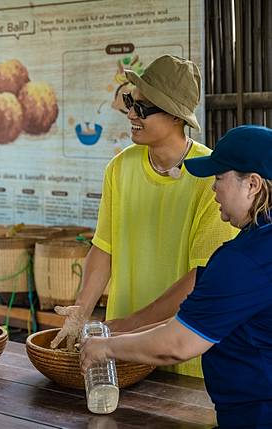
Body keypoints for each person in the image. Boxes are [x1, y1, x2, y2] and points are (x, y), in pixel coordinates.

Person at [53, 55, 238, 376]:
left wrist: (130, 326)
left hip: (180, 347)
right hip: (119, 348)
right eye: (130, 101)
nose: (130, 113)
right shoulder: (120, 167)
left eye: (143, 108)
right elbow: (104, 247)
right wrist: (81, 312)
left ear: (177, 117)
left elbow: (202, 276)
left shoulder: (212, 177)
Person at [81, 125, 272, 428]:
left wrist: (106, 348)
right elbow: (197, 319)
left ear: (252, 184)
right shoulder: (256, 246)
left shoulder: (244, 260)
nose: (213, 189)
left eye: (219, 178)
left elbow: (178, 344)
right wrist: (122, 334)